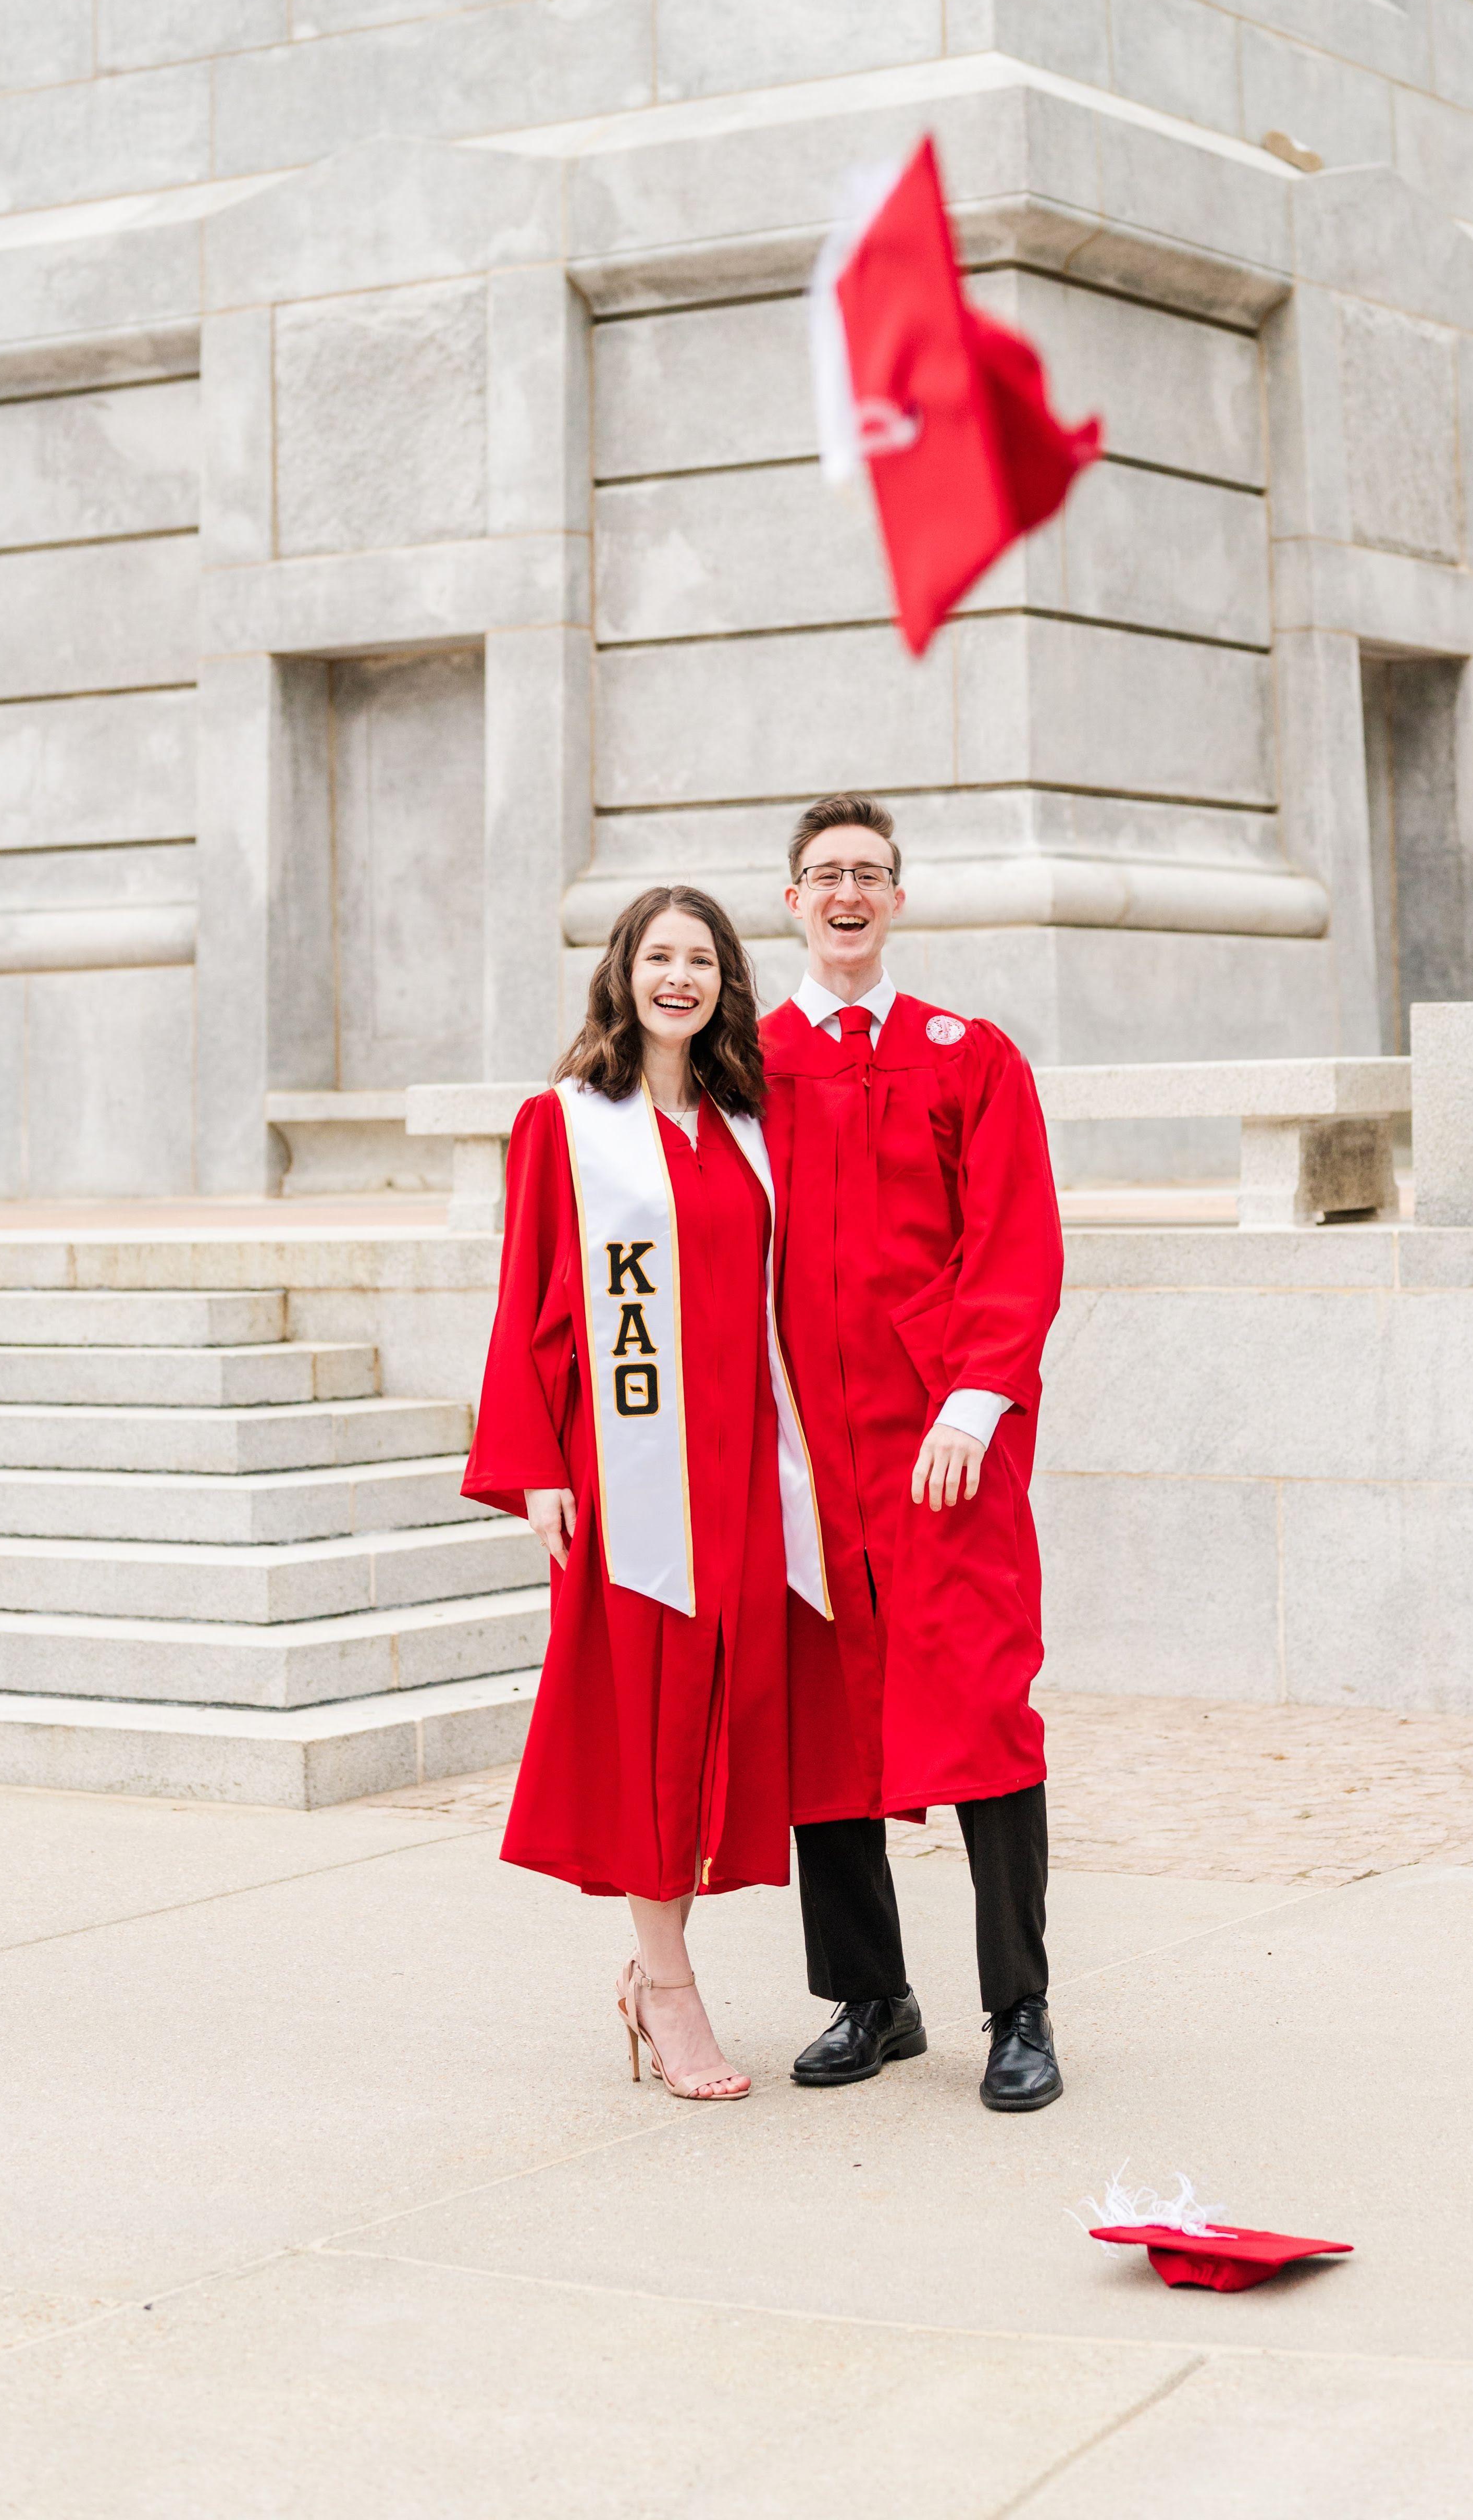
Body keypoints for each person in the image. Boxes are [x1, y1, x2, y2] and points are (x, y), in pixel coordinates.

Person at [463, 887, 832, 2103]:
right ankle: (668, 1990)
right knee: (648, 1726)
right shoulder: (564, 1126)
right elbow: (525, 1302)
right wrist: (536, 1470)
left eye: (701, 960)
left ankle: (653, 1972)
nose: (679, 977)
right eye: (658, 957)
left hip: (742, 1481)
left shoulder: (746, 1127)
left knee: (719, 1723)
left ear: (726, 981)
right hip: (632, 1488)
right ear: (622, 973)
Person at [762, 793, 1070, 2112]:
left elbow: (1018, 1240)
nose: (847, 894)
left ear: (899, 899)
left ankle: (1020, 2008)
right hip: (798, 1458)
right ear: (791, 900)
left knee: (985, 1712)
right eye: (825, 874)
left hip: (942, 1450)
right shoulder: (742, 1059)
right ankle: (871, 1998)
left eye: (870, 875)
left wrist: (977, 1397)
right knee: (821, 1724)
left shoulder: (969, 1055)